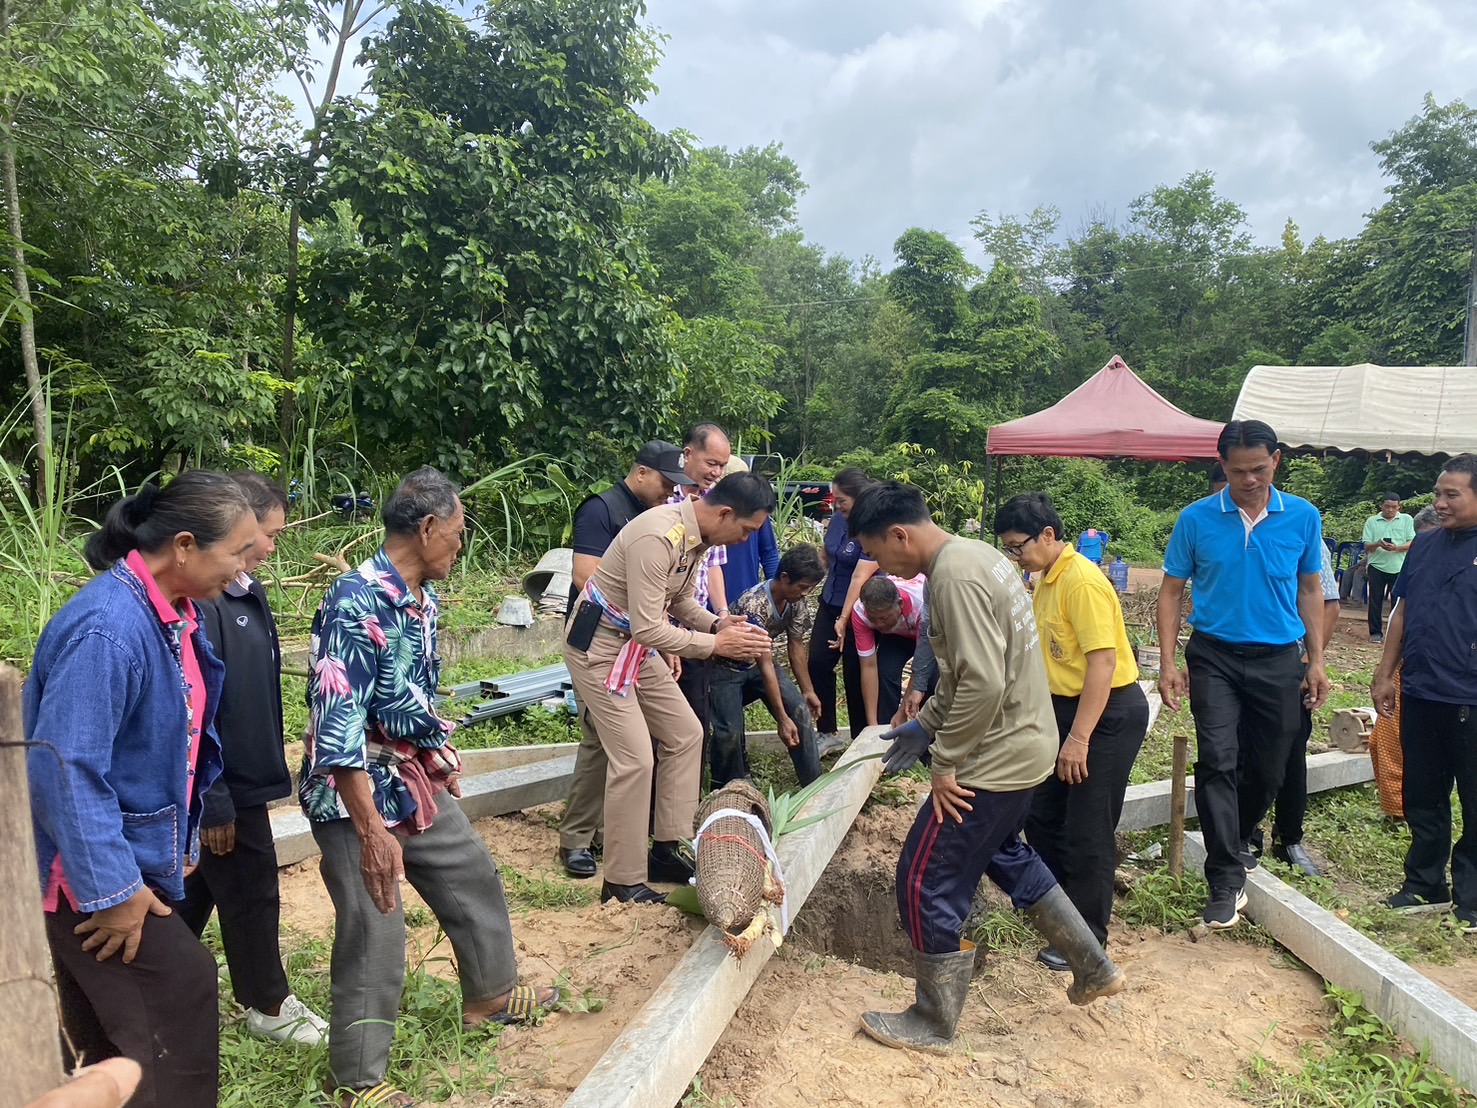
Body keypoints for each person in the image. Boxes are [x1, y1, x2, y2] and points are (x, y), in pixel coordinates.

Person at [302, 467, 560, 1108]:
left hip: (409, 774)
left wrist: (432, 753)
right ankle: (358, 1081)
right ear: (425, 528)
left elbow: (408, 693)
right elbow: (337, 733)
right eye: (457, 534)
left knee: (468, 871)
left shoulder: (421, 595)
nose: (460, 546)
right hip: (353, 786)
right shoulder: (354, 601)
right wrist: (370, 832)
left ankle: (491, 998)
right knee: (375, 924)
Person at [849, 483, 1125, 1054]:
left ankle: (933, 1020)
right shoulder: (979, 556)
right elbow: (970, 671)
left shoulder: (955, 578)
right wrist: (925, 723)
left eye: (878, 550)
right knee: (1008, 854)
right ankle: (1092, 965)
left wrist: (944, 761)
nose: (880, 564)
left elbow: (982, 681)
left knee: (925, 879)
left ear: (900, 534)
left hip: (992, 759)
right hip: (1027, 748)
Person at [25, 472, 259, 1108]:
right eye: (237, 552)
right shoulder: (108, 628)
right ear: (184, 546)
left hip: (119, 857)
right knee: (176, 995)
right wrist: (115, 891)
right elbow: (66, 764)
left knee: (108, 1037)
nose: (243, 572)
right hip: (88, 872)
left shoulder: (169, 616)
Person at [565, 472, 775, 904]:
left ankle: (667, 849)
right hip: (600, 647)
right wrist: (715, 644)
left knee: (686, 734)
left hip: (634, 646)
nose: (743, 540)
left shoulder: (695, 538)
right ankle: (621, 881)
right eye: (747, 530)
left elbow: (677, 601)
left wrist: (717, 623)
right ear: (725, 513)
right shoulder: (659, 536)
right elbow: (647, 628)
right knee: (635, 758)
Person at [1157, 420, 1331, 931]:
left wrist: (1316, 658)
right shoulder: (1196, 519)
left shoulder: (1302, 516)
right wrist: (1169, 662)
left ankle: (1237, 835)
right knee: (1217, 758)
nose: (1249, 480)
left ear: (1276, 461)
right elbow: (1170, 592)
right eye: (1237, 472)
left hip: (1280, 656)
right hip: (1213, 655)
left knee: (1270, 766)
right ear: (1223, 467)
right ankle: (1225, 877)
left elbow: (1310, 590)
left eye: (1258, 469)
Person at [176, 473, 328, 1044]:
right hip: (225, 784)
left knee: (205, 888)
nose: (269, 547)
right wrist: (214, 798)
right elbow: (198, 705)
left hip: (250, 773)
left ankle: (151, 974)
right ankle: (266, 1003)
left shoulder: (247, 591)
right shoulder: (205, 602)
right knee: (253, 887)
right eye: (266, 535)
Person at [992, 492, 1148, 971]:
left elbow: (1103, 664)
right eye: (1009, 550)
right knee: (1042, 813)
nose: (1016, 557)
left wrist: (1079, 739)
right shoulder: (1043, 579)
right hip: (1062, 709)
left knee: (1087, 826)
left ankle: (1088, 935)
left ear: (1048, 535)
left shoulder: (1081, 581)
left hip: (1104, 714)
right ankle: (1056, 912)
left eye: (1019, 547)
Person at [557, 441, 689, 879]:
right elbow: (584, 575)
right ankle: (576, 838)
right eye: (666, 484)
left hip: (635, 637)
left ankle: (606, 832)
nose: (670, 494)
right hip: (596, 634)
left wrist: (659, 636)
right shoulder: (602, 509)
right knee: (600, 735)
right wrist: (649, 621)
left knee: (636, 742)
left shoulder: (661, 520)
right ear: (641, 472)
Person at [1204, 470, 1341, 878]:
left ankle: (1290, 836)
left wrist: (1310, 662)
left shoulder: (1301, 527)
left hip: (1287, 664)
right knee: (1233, 752)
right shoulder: (1209, 524)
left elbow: (1326, 602)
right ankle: (1245, 835)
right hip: (1229, 662)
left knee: (1286, 755)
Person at [1373, 456, 1477, 926]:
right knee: (1423, 793)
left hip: (1470, 698)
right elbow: (1403, 612)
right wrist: (1384, 673)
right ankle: (1424, 884)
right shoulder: (1426, 546)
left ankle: (1472, 898)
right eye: (1438, 493)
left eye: (1451, 495)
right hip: (1422, 690)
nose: (1438, 503)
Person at [710, 544, 826, 788]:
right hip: (725, 669)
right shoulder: (755, 605)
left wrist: (808, 690)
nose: (806, 593)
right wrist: (781, 719)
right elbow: (765, 666)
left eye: (810, 588)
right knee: (729, 733)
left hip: (757, 663)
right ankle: (728, 789)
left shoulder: (796, 601)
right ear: (784, 578)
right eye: (803, 587)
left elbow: (796, 646)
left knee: (800, 711)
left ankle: (814, 786)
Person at [1368, 506, 1443, 821]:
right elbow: (1400, 614)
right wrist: (1384, 673)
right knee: (1385, 740)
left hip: (1455, 676)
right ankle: (1399, 812)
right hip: (1411, 666)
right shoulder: (1419, 562)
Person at [670, 423, 736, 746]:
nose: (716, 473)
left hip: (695, 619)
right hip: (659, 624)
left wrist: (721, 616)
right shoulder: (664, 497)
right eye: (712, 464)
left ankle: (690, 790)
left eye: (722, 466)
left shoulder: (714, 502)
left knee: (696, 712)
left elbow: (713, 568)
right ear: (688, 454)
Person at [808, 467, 877, 754]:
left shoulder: (874, 527)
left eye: (841, 500)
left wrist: (845, 619)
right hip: (830, 600)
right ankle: (827, 732)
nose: (836, 504)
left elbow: (860, 577)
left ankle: (862, 739)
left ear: (858, 499)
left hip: (859, 611)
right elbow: (827, 555)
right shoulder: (838, 519)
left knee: (854, 672)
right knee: (818, 663)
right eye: (835, 499)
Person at [851, 573, 926, 729]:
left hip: (927, 636)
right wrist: (872, 724)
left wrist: (902, 712)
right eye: (873, 618)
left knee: (928, 682)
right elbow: (868, 666)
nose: (879, 624)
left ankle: (924, 734)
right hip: (897, 636)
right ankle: (885, 729)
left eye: (884, 618)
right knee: (885, 671)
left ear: (900, 604)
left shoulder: (922, 605)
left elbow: (921, 666)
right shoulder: (860, 611)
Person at [717, 455, 780, 599]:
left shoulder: (757, 514)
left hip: (745, 594)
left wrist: (776, 594)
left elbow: (769, 552)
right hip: (710, 598)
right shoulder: (712, 516)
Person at [1361, 492, 1416, 644]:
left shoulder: (1406, 519)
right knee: (1375, 600)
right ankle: (1375, 633)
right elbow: (1367, 545)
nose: (1390, 510)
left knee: (1397, 602)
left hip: (1399, 567)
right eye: (1387, 507)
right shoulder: (1372, 521)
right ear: (1381, 506)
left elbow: (1413, 542)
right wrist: (1378, 544)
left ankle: (1395, 633)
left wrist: (1396, 547)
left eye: (1393, 507)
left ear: (1399, 507)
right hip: (1376, 565)